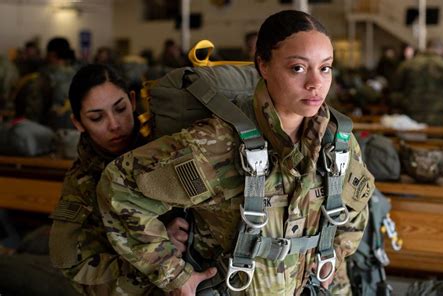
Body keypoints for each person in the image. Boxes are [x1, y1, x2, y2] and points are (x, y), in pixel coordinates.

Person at [97, 10, 373, 295]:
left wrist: (335, 255)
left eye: (325, 67)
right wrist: (174, 274)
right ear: (263, 66)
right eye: (298, 68)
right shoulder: (218, 144)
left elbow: (355, 206)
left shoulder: (336, 141)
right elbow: (119, 185)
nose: (315, 83)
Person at [49, 64, 189, 295]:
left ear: (133, 101)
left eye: (121, 108)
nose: (114, 124)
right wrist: (155, 252)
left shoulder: (166, 143)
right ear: (78, 123)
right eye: (97, 118)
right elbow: (77, 270)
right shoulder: (82, 185)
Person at [390, 38, 443, 126]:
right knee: (436, 139)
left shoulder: (407, 64)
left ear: (426, 47)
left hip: (410, 115)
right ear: (441, 49)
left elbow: (394, 90)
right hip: (437, 115)